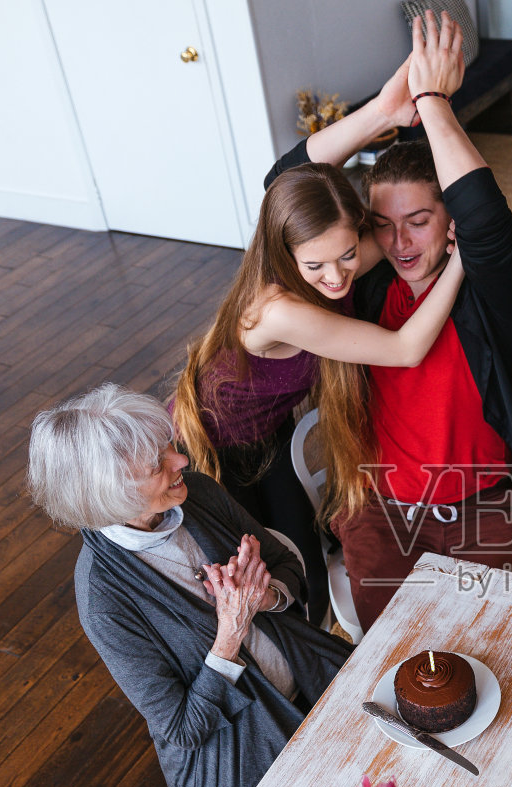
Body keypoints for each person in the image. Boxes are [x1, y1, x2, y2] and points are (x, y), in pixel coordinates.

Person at [265, 12, 512, 628]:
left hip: (487, 508)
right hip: (383, 514)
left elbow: (484, 215)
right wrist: (383, 113)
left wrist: (434, 103)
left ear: (449, 219)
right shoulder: (357, 288)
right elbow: (283, 190)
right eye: (382, 224)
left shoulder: (492, 291)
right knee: (393, 658)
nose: (398, 243)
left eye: (419, 221)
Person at [172, 66, 467, 626]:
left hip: (270, 434)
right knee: (265, 579)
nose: (337, 279)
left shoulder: (339, 257)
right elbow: (405, 348)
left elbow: (287, 178)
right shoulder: (280, 309)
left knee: (300, 568)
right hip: (212, 454)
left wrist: (387, 110)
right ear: (286, 253)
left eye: (348, 255)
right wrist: (460, 261)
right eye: (316, 266)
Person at [28, 383, 352, 787]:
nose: (179, 461)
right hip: (236, 750)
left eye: (168, 445)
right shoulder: (104, 596)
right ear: (111, 499)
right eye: (156, 465)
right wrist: (229, 636)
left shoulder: (196, 493)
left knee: (411, 745)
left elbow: (287, 564)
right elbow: (183, 729)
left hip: (309, 673)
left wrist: (263, 598)